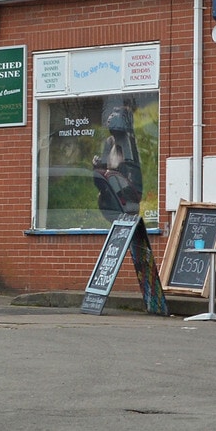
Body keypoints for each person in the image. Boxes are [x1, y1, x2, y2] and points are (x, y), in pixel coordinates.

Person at [92, 103, 166, 314]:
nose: (110, 122)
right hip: (114, 187)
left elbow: (131, 171)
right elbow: (107, 165)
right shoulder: (110, 142)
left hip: (126, 190)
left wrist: (116, 171)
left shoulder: (128, 142)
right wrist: (99, 166)